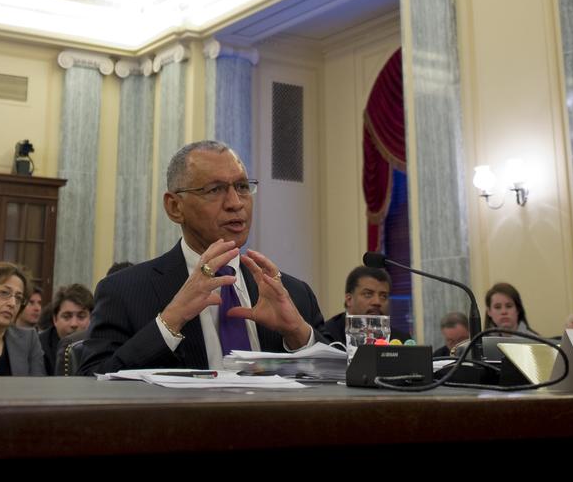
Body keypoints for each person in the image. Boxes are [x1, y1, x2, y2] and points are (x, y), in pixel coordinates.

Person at [80, 140, 327, 374]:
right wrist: (171, 319)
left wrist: (297, 333)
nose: (235, 203)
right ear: (175, 207)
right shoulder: (124, 292)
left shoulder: (294, 295)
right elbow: (94, 382)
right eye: (215, 190)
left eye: (242, 187)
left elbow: (338, 386)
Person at [322, 265, 391, 345]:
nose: (377, 302)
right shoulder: (326, 335)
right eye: (368, 294)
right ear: (349, 299)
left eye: (383, 296)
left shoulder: (399, 339)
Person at [38, 283, 94, 374]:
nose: (74, 324)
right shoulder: (40, 346)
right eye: (67, 316)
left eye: (81, 316)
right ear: (55, 319)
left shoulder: (98, 346)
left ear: (92, 318)